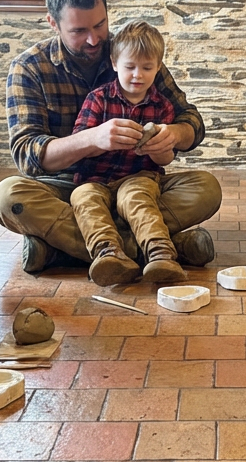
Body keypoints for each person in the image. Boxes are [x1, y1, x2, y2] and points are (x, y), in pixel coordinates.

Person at [0, 0, 222, 274]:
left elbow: (192, 120)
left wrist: (174, 135)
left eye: (100, 24)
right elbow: (27, 155)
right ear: (53, 23)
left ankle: (70, 249)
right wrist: (91, 139)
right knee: (7, 198)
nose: (94, 38)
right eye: (78, 30)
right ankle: (162, 247)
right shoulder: (29, 68)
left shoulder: (131, 52)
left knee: (207, 188)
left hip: (138, 181)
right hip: (68, 186)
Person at [69, 21, 190, 286]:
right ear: (114, 63)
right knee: (83, 198)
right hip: (94, 178)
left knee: (136, 198)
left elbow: (166, 160)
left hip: (139, 175)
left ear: (158, 67)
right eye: (130, 67)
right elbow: (79, 144)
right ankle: (108, 254)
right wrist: (100, 139)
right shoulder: (98, 98)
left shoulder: (162, 107)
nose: (138, 75)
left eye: (147, 68)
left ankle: (161, 254)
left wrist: (159, 148)